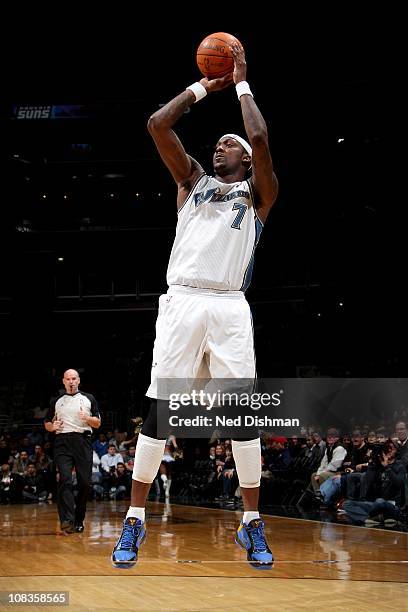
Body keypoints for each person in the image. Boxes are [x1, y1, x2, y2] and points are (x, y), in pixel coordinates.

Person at [112, 42, 278, 569]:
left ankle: (251, 524)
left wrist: (243, 81)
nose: (220, 147)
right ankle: (134, 522)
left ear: (246, 161)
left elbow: (258, 134)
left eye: (228, 145)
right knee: (160, 413)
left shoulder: (259, 194)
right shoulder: (191, 183)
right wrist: (206, 86)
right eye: (218, 144)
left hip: (229, 306)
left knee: (241, 418)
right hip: (183, 301)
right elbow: (158, 124)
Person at [44, 369, 101, 533]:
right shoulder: (57, 400)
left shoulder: (88, 398)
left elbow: (97, 423)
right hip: (62, 442)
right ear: (63, 381)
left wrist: (88, 418)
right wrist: (51, 427)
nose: (71, 381)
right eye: (68, 379)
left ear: (78, 380)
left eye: (73, 378)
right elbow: (47, 422)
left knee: (85, 483)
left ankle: (78, 518)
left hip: (83, 441)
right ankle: (66, 520)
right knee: (65, 479)